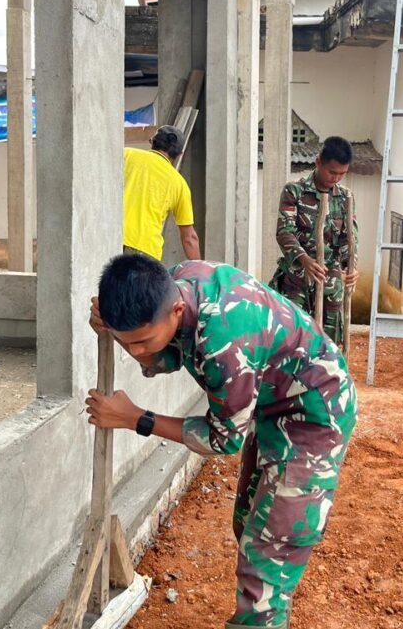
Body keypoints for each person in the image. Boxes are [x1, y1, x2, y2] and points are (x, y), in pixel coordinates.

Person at [86, 254, 357, 629]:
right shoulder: (178, 283)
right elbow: (172, 352)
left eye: (142, 341)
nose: (135, 352)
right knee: (248, 519)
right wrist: (111, 327)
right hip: (273, 405)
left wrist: (138, 419)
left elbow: (224, 438)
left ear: (176, 309)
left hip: (315, 415)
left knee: (269, 548)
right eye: (125, 341)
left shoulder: (224, 342)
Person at [270, 136, 359, 348]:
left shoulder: (346, 197)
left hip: (331, 285)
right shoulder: (295, 191)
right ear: (318, 162)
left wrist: (352, 266)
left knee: (328, 344)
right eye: (332, 172)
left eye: (342, 174)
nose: (336, 178)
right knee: (292, 337)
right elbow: (284, 232)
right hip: (297, 281)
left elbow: (350, 238)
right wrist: (304, 260)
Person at [122, 125, 200, 260]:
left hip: (111, 239)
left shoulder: (126, 155)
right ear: (179, 154)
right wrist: (200, 271)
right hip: (145, 252)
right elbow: (189, 238)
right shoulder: (179, 184)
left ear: (152, 141)